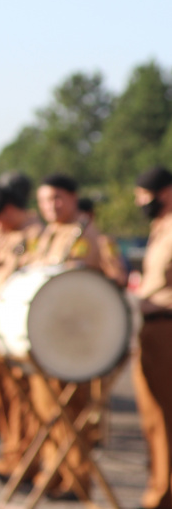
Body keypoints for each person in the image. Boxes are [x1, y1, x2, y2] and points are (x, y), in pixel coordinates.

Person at [23, 173, 105, 501]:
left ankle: (76, 480)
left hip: (73, 335)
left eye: (57, 198)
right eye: (44, 200)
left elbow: (75, 280)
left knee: (73, 412)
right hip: (49, 333)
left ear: (72, 198)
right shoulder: (48, 234)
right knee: (48, 412)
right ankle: (54, 474)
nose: (50, 206)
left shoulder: (83, 233)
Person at [0, 174, 42, 483]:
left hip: (17, 325)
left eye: (0, 218)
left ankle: (28, 460)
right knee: (1, 395)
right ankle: (10, 453)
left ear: (12, 209)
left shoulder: (35, 233)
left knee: (23, 399)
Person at [131, 166, 172, 509]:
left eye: (144, 194)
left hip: (167, 327)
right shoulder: (160, 229)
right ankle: (158, 490)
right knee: (153, 417)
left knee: (166, 415)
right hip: (151, 327)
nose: (139, 202)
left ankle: (164, 493)